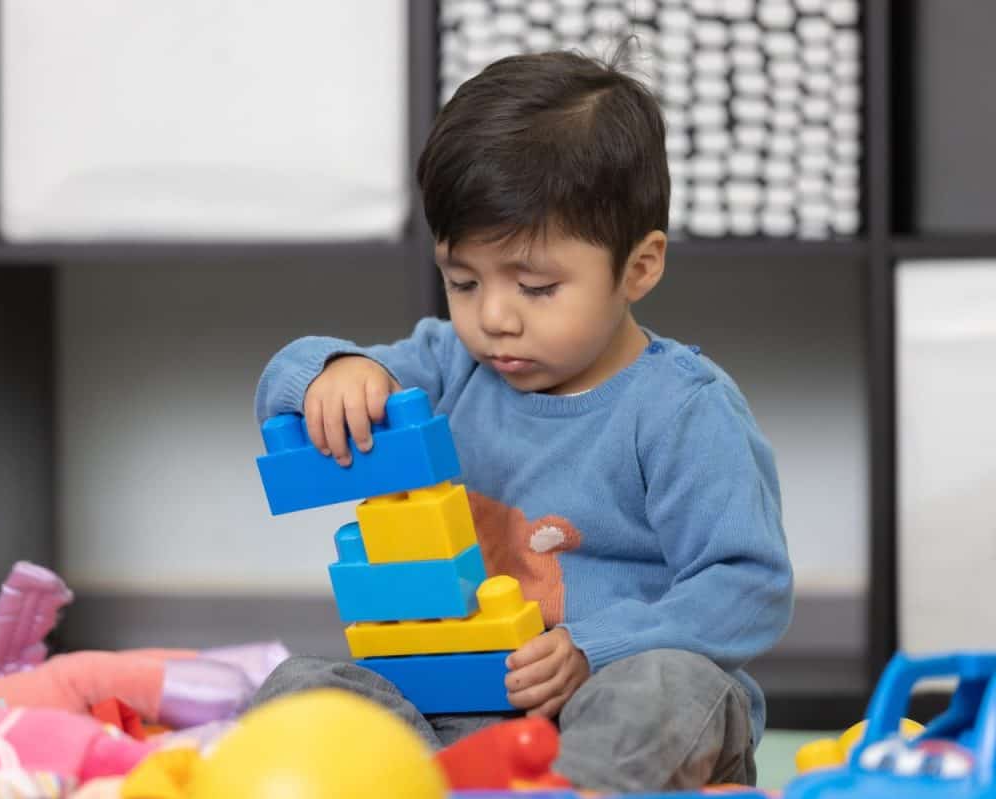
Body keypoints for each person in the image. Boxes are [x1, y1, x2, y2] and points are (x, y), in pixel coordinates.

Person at [251, 49, 794, 792]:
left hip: (601, 706)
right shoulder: (450, 365)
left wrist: (592, 647)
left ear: (639, 266)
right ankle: (428, 782)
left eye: (536, 287)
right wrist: (331, 372)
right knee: (303, 685)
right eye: (463, 281)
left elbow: (748, 586)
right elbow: (295, 386)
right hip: (453, 714)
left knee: (667, 688)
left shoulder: (682, 409)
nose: (494, 317)